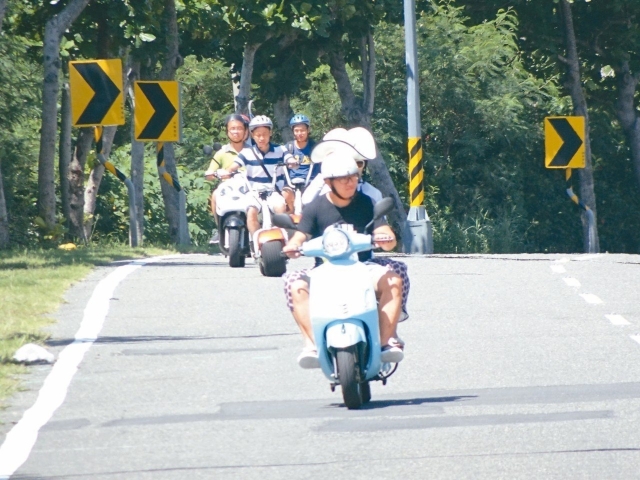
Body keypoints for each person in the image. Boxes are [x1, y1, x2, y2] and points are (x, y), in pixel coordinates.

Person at [282, 131, 406, 369]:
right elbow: (301, 234)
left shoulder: (367, 203)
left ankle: (386, 341)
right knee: (294, 283)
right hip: (324, 271)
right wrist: (292, 245)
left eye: (352, 177)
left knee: (394, 279)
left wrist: (386, 238)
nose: (350, 182)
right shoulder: (315, 207)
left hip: (363, 267)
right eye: (342, 178)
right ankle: (312, 344)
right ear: (328, 182)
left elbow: (385, 231)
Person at [300, 127, 410, 322]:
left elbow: (380, 225)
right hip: (326, 262)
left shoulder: (370, 195)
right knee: (294, 284)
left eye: (359, 164)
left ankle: (392, 322)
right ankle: (312, 335)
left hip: (363, 260)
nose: (354, 170)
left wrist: (385, 237)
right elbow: (307, 204)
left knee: (398, 270)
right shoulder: (317, 192)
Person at [223, 115, 293, 246]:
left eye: (265, 134)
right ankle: (256, 243)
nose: (261, 138)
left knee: (280, 208)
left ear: (270, 133)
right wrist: (226, 172)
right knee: (251, 212)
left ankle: (282, 241)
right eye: (258, 135)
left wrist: (292, 162)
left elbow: (290, 159)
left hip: (273, 192)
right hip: (254, 193)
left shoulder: (280, 150)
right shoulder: (246, 152)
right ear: (252, 134)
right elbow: (234, 166)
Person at [204, 114, 250, 244]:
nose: (236, 132)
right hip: (228, 187)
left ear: (246, 131)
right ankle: (219, 228)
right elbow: (210, 172)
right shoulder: (221, 153)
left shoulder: (253, 151)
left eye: (239, 128)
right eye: (232, 129)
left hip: (248, 187)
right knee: (215, 195)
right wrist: (211, 174)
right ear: (227, 131)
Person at [282, 114, 320, 212]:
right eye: (296, 130)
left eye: (302, 130)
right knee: (285, 198)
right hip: (291, 184)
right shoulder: (288, 147)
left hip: (310, 183)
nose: (299, 133)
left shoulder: (315, 148)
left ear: (308, 130)